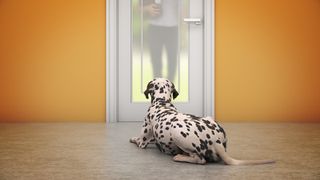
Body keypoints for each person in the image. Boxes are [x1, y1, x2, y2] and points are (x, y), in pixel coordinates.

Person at [143, 0, 180, 82]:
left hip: (173, 28)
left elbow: (182, 8)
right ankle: (158, 92)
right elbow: (139, 7)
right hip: (154, 27)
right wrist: (147, 8)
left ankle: (168, 91)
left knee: (172, 62)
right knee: (156, 63)